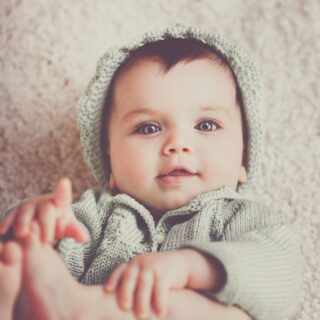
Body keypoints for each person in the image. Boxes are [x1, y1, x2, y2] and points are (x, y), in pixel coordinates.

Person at [0, 23, 303, 320]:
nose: (177, 145)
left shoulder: (238, 218)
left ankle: (81, 307)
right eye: (148, 128)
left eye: (206, 125)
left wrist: (191, 267)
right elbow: (51, 253)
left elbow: (282, 273)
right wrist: (38, 227)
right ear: (110, 158)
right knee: (22, 258)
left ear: (243, 157)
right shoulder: (94, 217)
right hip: (68, 307)